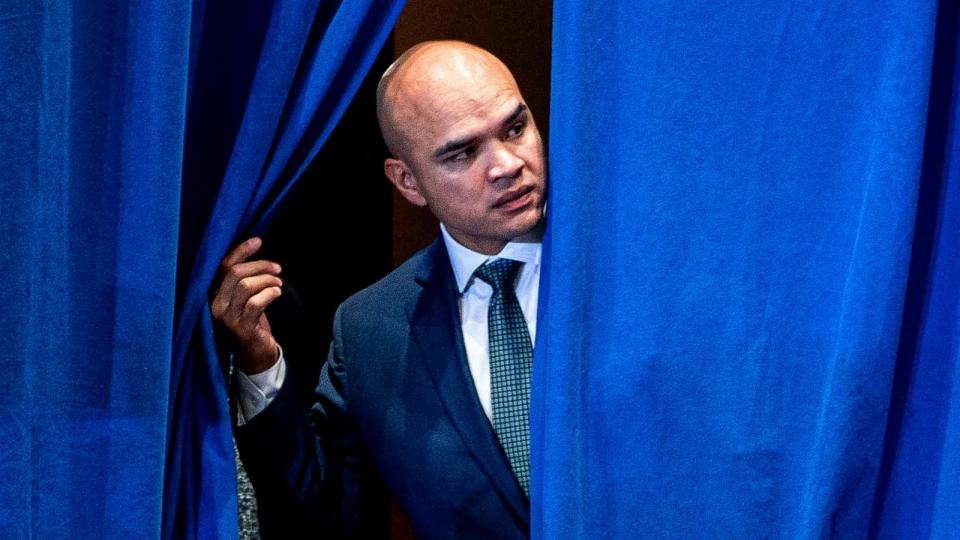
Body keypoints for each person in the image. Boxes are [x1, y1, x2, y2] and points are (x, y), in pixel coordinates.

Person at [211, 40, 546, 539]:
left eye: (515, 128)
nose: (507, 164)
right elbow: (324, 517)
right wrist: (259, 362)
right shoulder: (370, 328)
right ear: (408, 183)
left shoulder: (628, 270)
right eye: (464, 152)